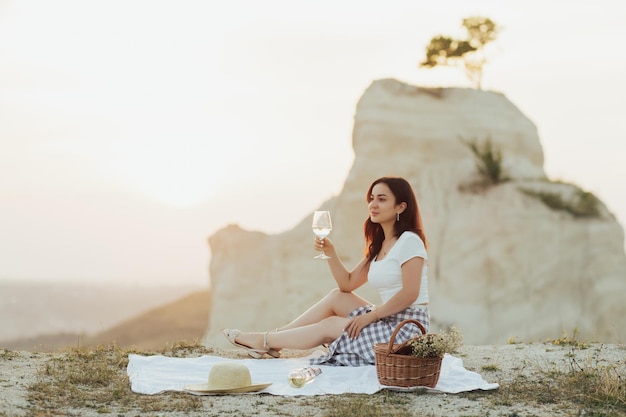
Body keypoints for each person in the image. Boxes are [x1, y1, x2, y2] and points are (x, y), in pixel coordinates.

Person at [223, 176, 430, 366]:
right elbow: (347, 284)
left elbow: (410, 293)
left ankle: (263, 340)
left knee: (331, 325)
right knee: (337, 296)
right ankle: (274, 340)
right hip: (387, 318)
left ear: (400, 207)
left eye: (382, 199)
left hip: (407, 329)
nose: (373, 204)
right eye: (372, 198)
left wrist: (370, 317)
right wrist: (330, 252)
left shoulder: (409, 241)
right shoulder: (380, 245)